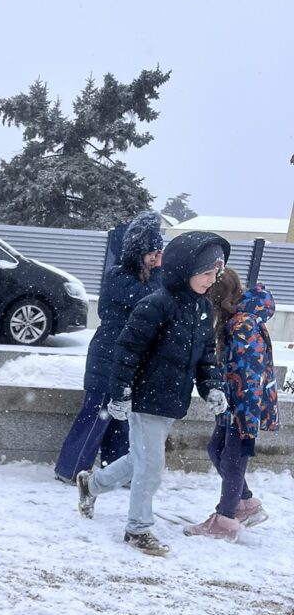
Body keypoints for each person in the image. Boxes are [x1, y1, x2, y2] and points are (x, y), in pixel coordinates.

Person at [75, 230, 231, 556]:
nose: (211, 280)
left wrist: (212, 387)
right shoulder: (155, 305)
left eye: (215, 274)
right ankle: (138, 529)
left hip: (172, 400)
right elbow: (127, 351)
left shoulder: (202, 308)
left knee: (140, 459)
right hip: (145, 398)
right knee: (151, 467)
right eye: (205, 273)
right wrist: (120, 393)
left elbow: (205, 356)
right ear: (184, 270)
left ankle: (91, 484)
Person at [54, 211, 164, 483]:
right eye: (152, 254)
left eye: (158, 253)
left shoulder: (142, 278)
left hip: (129, 360)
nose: (156, 259)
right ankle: (70, 469)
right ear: (138, 253)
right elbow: (149, 300)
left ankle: (116, 473)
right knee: (96, 415)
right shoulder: (119, 276)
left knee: (121, 419)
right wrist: (159, 272)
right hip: (108, 357)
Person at [184, 270, 279, 540]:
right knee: (217, 449)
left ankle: (225, 519)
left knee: (233, 458)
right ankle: (245, 503)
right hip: (233, 403)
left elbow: (250, 374)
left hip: (242, 406)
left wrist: (245, 416)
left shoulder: (242, 325)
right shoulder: (236, 321)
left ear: (218, 297)